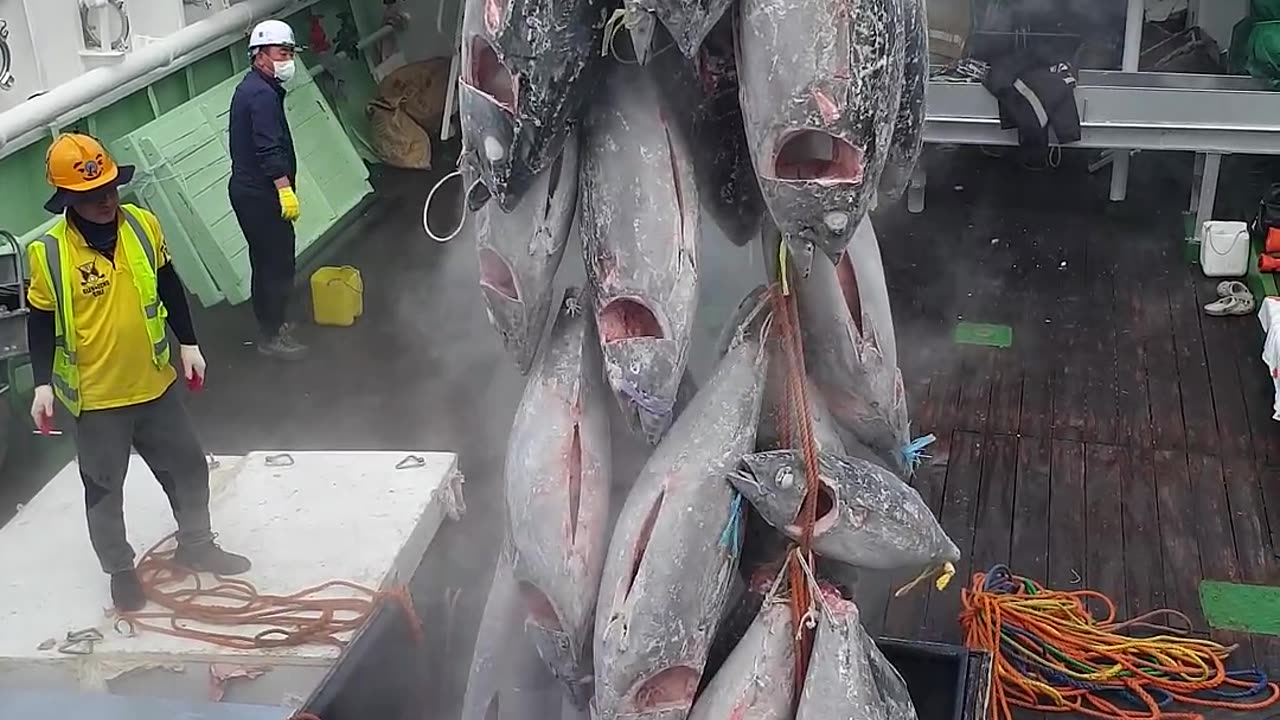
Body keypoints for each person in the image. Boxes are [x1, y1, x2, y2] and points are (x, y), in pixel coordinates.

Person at [26, 133, 251, 613]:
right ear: (69, 200)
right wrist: (43, 382)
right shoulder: (47, 254)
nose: (106, 201)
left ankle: (197, 544)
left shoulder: (144, 226)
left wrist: (188, 342)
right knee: (104, 489)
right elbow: (40, 319)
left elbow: (168, 283)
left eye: (110, 189)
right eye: (92, 196)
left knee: (188, 466)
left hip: (155, 385)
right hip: (97, 398)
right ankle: (120, 570)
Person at [228, 19, 308, 359]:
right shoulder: (260, 95)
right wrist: (283, 189)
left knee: (267, 261)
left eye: (290, 52)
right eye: (281, 52)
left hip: (252, 192)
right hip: (260, 196)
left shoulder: (257, 87)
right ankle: (272, 335)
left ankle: (273, 324)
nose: (287, 59)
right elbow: (268, 147)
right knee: (275, 264)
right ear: (260, 55)